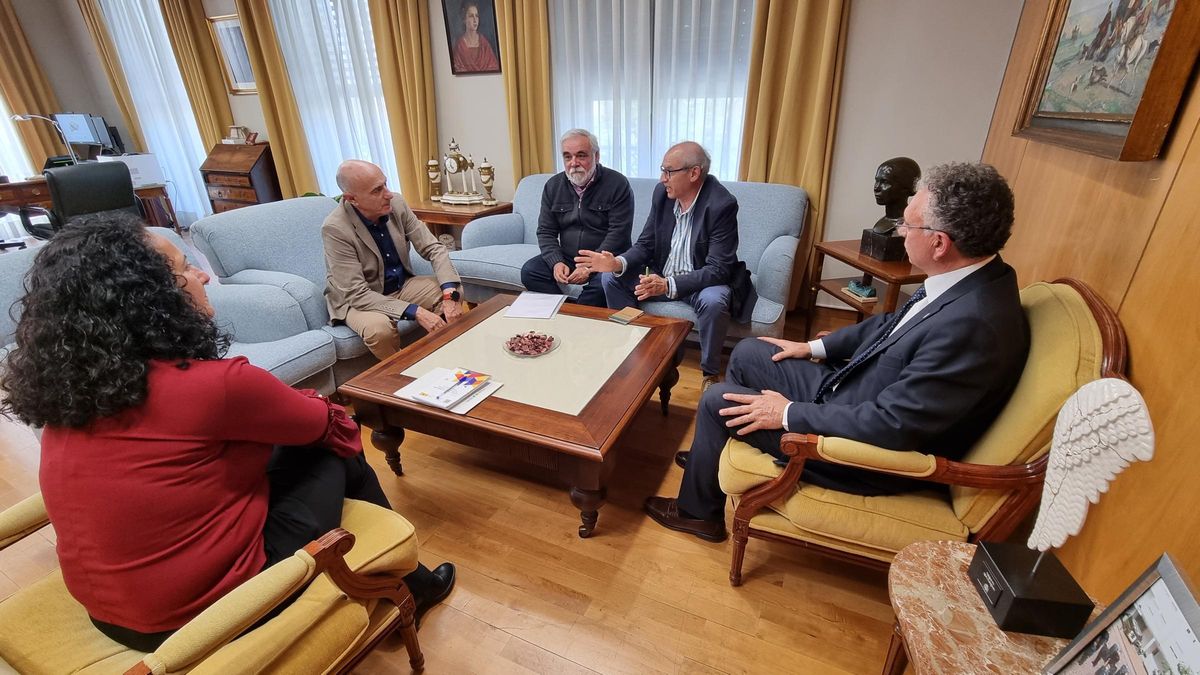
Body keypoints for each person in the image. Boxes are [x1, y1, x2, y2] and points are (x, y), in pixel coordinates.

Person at [0, 213, 455, 650]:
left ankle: (407, 579)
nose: (201, 274)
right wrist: (307, 411)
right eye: (184, 267)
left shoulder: (74, 388)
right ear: (152, 298)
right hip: (205, 617)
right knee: (336, 449)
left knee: (284, 444)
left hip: (109, 615)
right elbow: (333, 425)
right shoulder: (217, 386)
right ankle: (412, 584)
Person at [643, 162, 1029, 543]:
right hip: (852, 393)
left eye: (908, 226)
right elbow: (889, 325)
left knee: (714, 401)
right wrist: (812, 346)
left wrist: (787, 413)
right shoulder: (969, 279)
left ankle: (698, 514)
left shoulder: (973, 325)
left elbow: (892, 424)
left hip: (858, 451)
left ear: (939, 243)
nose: (900, 231)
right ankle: (708, 460)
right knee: (749, 351)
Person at [575, 141, 755, 391]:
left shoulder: (721, 204)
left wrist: (667, 285)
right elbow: (646, 243)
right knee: (611, 278)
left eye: (668, 171)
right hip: (661, 272)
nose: (662, 179)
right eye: (663, 170)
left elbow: (718, 269)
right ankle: (633, 348)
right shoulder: (663, 195)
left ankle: (710, 374)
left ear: (694, 173)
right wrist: (618, 262)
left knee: (715, 300)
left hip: (700, 281)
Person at [324, 159, 464, 360]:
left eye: (385, 184)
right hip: (360, 300)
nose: (387, 194)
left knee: (453, 290)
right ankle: (402, 374)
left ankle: (450, 357)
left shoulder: (396, 203)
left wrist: (450, 295)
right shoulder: (335, 229)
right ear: (352, 199)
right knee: (379, 330)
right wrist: (416, 312)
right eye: (377, 190)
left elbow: (434, 248)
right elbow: (356, 293)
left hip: (401, 285)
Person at [520, 128, 633, 307]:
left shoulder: (617, 183)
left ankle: (576, 313)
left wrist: (589, 266)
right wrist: (556, 262)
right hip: (567, 256)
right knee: (530, 271)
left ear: (596, 156)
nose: (573, 163)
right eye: (567, 156)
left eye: (581, 156)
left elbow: (619, 233)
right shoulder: (553, 186)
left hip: (605, 258)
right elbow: (546, 231)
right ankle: (565, 310)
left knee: (603, 287)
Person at [870, 157, 921, 234]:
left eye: (885, 182)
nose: (876, 188)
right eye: (877, 181)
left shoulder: (911, 225)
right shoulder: (882, 224)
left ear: (906, 187)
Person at [452, 2, 499, 73]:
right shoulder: (459, 46)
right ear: (464, 19)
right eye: (471, 16)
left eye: (476, 16)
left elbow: (494, 66)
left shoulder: (484, 43)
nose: (475, 20)